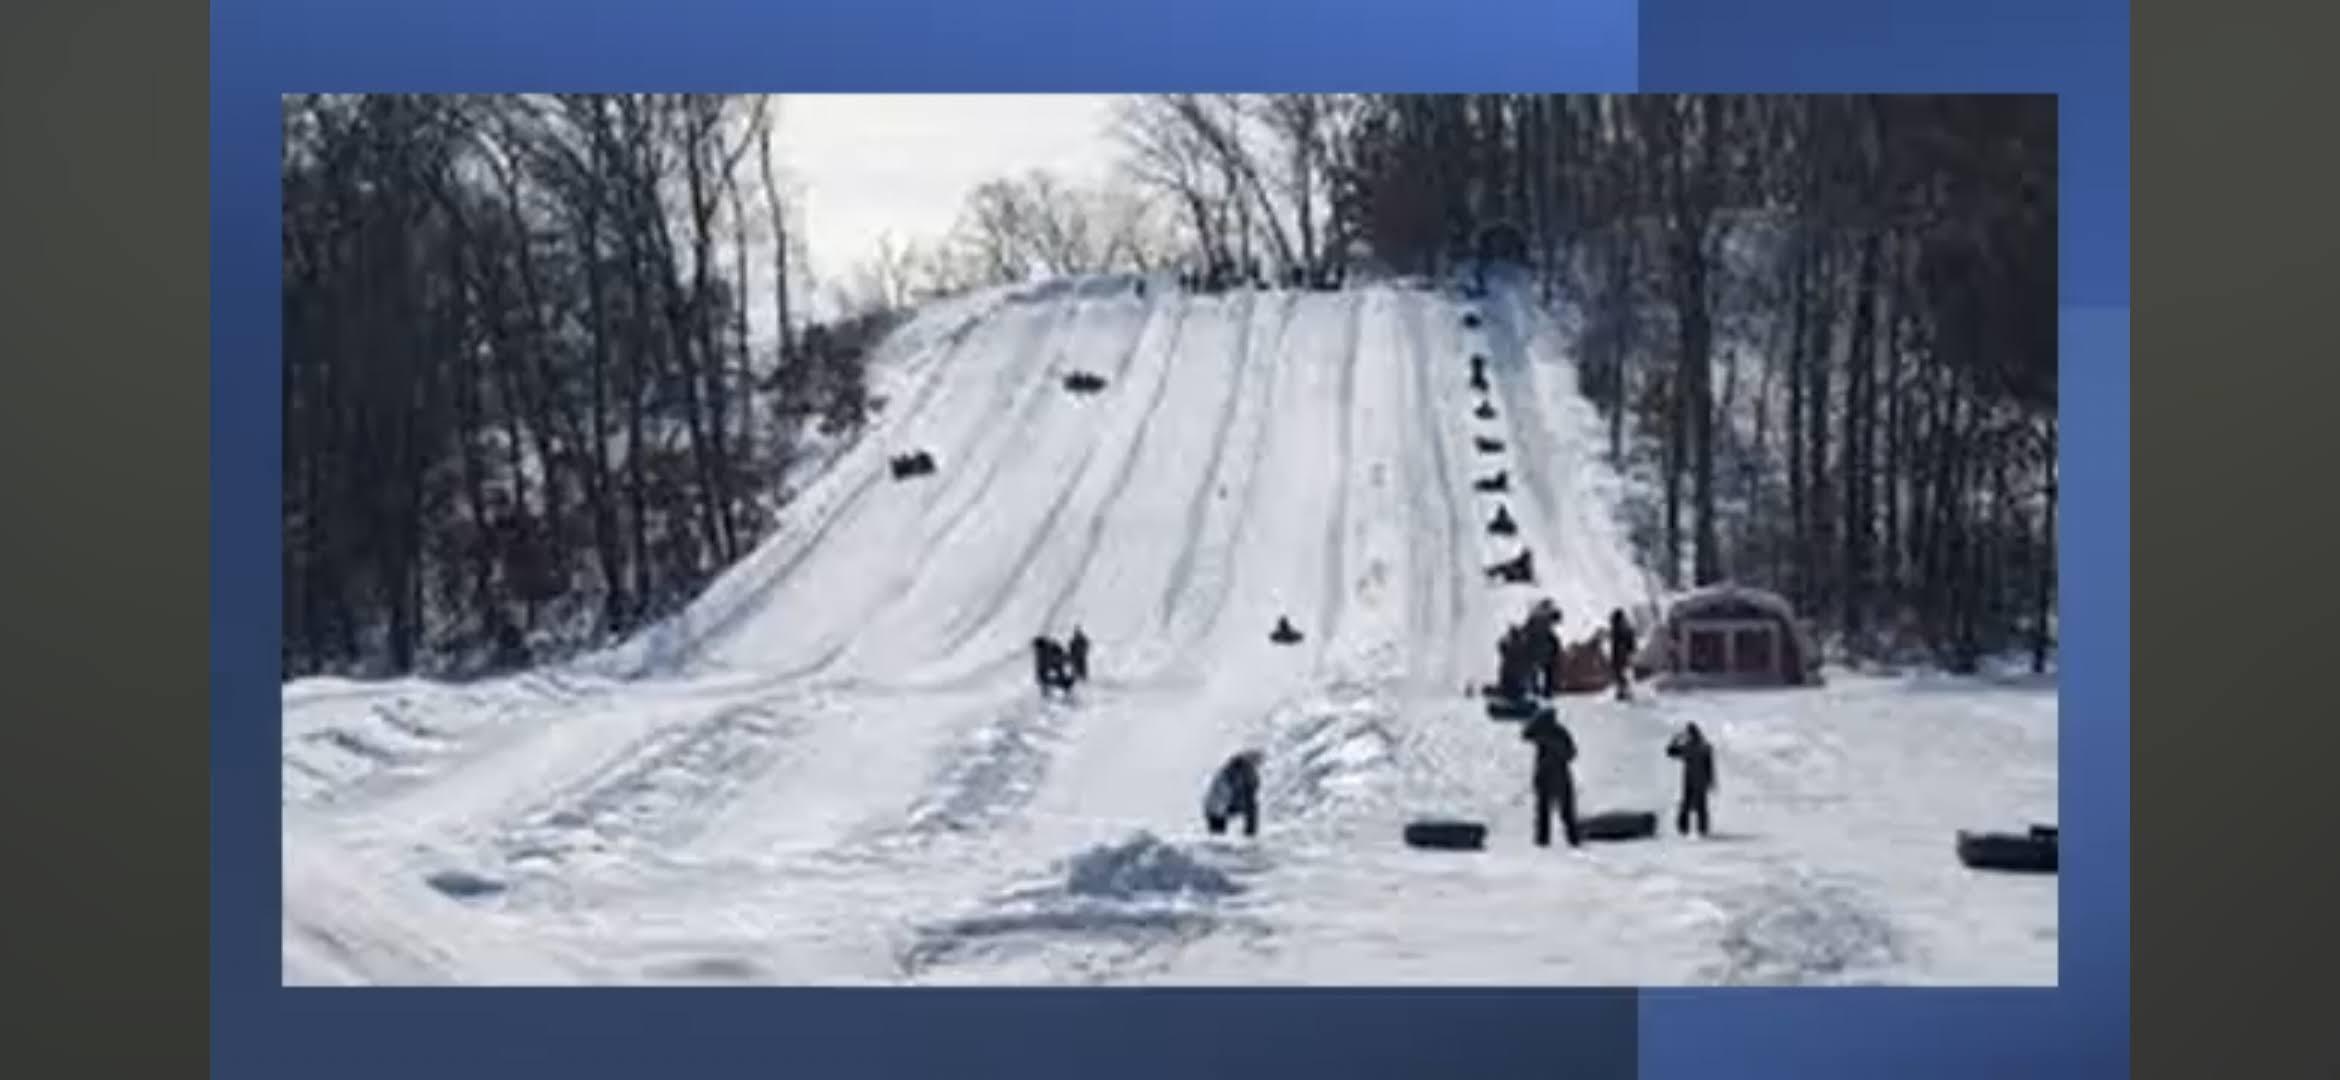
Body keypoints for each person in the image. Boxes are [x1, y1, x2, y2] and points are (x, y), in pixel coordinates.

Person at [1521, 706, 1579, 847]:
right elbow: (1526, 735)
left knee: (1565, 811)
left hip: (1558, 774)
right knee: (1544, 812)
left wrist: (1556, 749)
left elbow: (1571, 753)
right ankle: (1543, 841)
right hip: (1547, 775)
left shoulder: (1559, 732)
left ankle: (1572, 839)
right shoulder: (1542, 732)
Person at [1665, 723, 1717, 837]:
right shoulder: (1692, 747)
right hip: (1691, 780)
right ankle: (1687, 829)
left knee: (1698, 806)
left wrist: (1711, 781)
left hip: (1697, 780)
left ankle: (1699, 830)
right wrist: (1675, 740)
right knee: (1689, 805)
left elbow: (1710, 766)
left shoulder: (1700, 747)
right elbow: (1670, 752)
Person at [1204, 751, 1264, 837]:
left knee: (1251, 805)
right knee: (1252, 806)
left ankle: (1249, 834)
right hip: (1219, 809)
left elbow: (1248, 789)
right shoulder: (1237, 773)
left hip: (1217, 808)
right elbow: (1248, 791)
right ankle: (1250, 835)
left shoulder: (1228, 771)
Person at [1607, 608, 1638, 700]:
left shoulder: (1619, 630)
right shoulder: (1620, 630)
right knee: (1622, 676)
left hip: (1621, 657)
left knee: (1623, 676)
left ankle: (1624, 692)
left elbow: (1629, 645)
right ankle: (1624, 692)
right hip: (1620, 658)